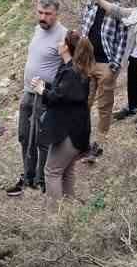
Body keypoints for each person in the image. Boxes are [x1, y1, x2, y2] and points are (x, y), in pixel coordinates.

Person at [8, 0, 66, 197]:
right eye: (40, 12)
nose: (43, 17)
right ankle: (28, 175)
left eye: (47, 14)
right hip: (28, 92)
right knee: (25, 136)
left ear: (56, 14)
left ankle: (42, 180)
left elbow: (67, 68)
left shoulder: (63, 35)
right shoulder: (37, 30)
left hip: (45, 94)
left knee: (43, 139)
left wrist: (52, 92)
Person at [77, 0, 130, 160]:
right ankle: (81, 142)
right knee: (83, 103)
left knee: (104, 107)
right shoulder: (91, 6)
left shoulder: (118, 12)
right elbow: (83, 27)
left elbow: (123, 40)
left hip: (106, 64)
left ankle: (99, 145)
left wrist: (114, 65)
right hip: (87, 63)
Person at [37, 31, 94, 199]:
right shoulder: (73, 70)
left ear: (67, 47)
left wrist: (42, 91)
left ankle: (54, 219)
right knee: (66, 171)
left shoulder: (71, 73)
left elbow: (58, 97)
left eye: (62, 41)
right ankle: (68, 214)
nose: (59, 43)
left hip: (68, 133)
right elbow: (64, 93)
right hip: (77, 132)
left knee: (51, 172)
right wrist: (45, 87)